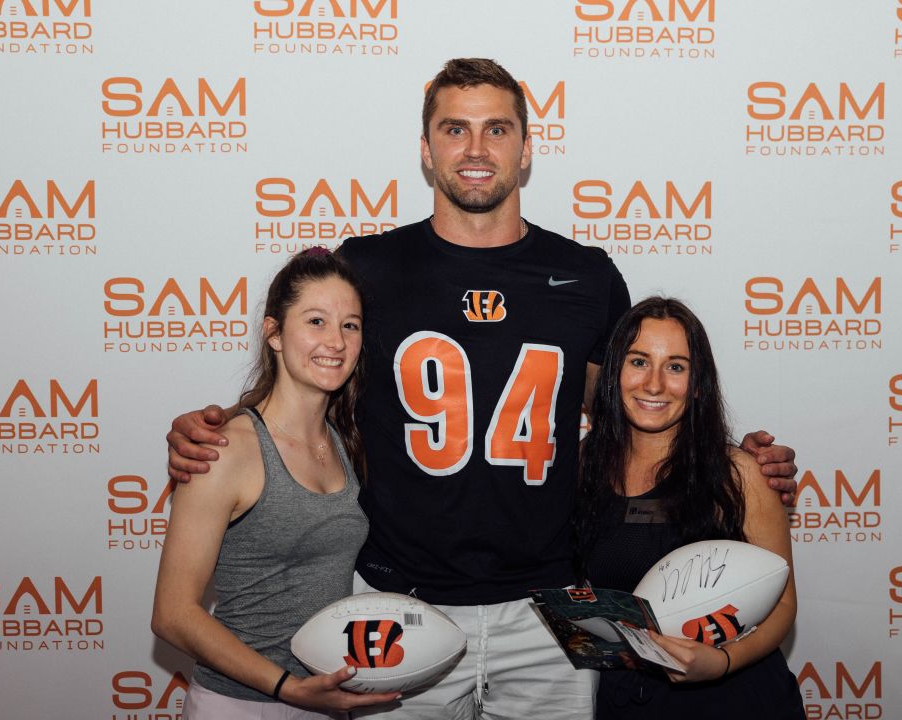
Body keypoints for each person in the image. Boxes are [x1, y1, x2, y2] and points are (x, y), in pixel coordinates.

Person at [165, 59, 799, 720]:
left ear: (526, 149)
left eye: (496, 130)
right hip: (402, 604)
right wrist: (226, 426)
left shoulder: (585, 275)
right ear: (425, 148)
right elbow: (308, 368)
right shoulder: (367, 266)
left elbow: (636, 405)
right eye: (454, 130)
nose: (474, 149)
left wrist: (737, 464)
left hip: (549, 609)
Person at [151, 249, 401, 719]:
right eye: (315, 321)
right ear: (274, 334)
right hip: (240, 705)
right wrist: (287, 687)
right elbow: (172, 614)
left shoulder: (347, 439)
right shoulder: (226, 449)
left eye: (350, 325)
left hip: (322, 700)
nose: (336, 341)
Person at [575, 297, 806, 719]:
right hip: (629, 702)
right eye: (639, 361)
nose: (655, 384)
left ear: (698, 383)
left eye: (676, 366)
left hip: (736, 701)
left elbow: (783, 604)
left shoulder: (739, 472)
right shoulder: (579, 467)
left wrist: (724, 661)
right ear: (613, 373)